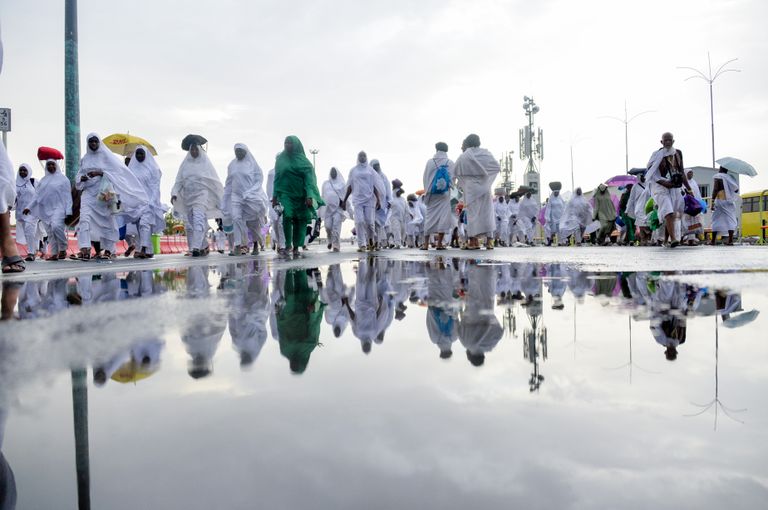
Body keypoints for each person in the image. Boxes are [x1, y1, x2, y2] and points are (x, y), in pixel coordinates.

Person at [75, 133, 149, 260]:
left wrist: (99, 173)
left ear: (99, 143)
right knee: (84, 220)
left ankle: (109, 250)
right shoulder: (85, 159)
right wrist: (81, 178)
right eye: (91, 141)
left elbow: (116, 173)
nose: (93, 143)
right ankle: (85, 249)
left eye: (95, 141)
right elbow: (79, 174)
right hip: (88, 195)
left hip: (103, 195)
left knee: (107, 223)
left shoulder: (106, 157)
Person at [272, 136, 324, 257]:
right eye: (286, 143)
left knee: (298, 220)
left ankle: (296, 246)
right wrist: (275, 196)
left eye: (290, 143)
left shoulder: (304, 162)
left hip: (301, 195)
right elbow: (277, 178)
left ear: (296, 145)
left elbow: (309, 181)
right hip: (286, 194)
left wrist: (309, 196)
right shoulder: (281, 159)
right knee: (287, 215)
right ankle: (288, 245)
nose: (287, 145)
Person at [171, 142, 224, 257]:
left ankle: (195, 247)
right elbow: (179, 181)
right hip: (188, 197)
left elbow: (214, 180)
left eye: (196, 149)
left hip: (202, 196)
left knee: (198, 219)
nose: (194, 151)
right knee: (192, 221)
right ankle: (203, 245)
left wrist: (219, 197)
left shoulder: (205, 164)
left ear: (200, 150)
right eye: (192, 150)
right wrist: (174, 193)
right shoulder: (185, 165)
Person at [453, 134, 500, 249]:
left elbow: (455, 171)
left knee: (473, 215)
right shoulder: (486, 154)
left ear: (468, 143)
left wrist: (465, 180)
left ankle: (473, 242)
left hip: (471, 189)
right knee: (487, 213)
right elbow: (496, 167)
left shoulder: (464, 156)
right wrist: (485, 176)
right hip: (485, 187)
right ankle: (489, 241)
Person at [645, 132, 691, 247]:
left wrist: (689, 189)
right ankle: (674, 239)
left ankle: (666, 240)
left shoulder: (678, 153)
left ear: (673, 141)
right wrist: (664, 183)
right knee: (668, 212)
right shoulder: (656, 155)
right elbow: (651, 173)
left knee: (671, 214)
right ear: (661, 142)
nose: (668, 142)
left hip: (674, 187)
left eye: (670, 140)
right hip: (660, 187)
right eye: (665, 140)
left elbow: (681, 171)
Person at [276, 268, 325, 374]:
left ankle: (292, 266)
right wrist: (313, 312)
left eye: (293, 366)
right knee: (300, 285)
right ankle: (295, 266)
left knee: (292, 292)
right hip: (303, 312)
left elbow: (281, 331)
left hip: (292, 314)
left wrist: (278, 316)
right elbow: (313, 327)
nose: (294, 364)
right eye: (296, 366)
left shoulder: (286, 350)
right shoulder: (307, 347)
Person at [24, 159, 71, 261]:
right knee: (50, 232)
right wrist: (29, 207)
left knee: (56, 227)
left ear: (56, 165)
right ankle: (54, 253)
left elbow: (68, 196)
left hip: (59, 208)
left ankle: (63, 248)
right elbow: (37, 195)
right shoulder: (43, 180)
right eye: (48, 164)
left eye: (52, 164)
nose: (50, 166)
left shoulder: (63, 179)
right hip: (45, 209)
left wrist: (69, 211)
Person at [223, 143, 265, 256]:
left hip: (250, 197)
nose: (238, 153)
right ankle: (238, 245)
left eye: (240, 151)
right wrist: (225, 199)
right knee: (236, 218)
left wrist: (251, 191)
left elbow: (259, 180)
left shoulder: (252, 164)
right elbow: (228, 183)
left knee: (252, 223)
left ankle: (255, 244)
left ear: (246, 152)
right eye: (236, 151)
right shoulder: (232, 165)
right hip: (236, 196)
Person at [127, 145, 166, 258]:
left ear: (146, 155)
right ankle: (149, 250)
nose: (139, 156)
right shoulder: (132, 169)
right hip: (137, 203)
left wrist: (152, 201)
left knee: (144, 224)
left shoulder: (153, 169)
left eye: (141, 154)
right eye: (137, 154)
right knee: (140, 227)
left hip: (149, 202)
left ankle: (143, 249)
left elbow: (155, 186)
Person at [342, 151, 380, 252]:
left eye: (364, 156)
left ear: (366, 157)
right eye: (360, 156)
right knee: (359, 222)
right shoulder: (353, 171)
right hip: (357, 200)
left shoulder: (371, 170)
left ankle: (371, 239)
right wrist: (344, 200)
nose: (362, 157)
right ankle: (362, 245)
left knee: (369, 223)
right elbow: (350, 186)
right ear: (358, 157)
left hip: (369, 200)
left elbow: (375, 186)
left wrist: (378, 199)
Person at [421, 142, 455, 250]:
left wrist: (428, 189)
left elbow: (425, 177)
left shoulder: (430, 162)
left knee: (429, 217)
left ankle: (426, 244)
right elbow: (453, 179)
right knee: (443, 218)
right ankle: (439, 244)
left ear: (436, 149)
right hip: (444, 194)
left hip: (432, 193)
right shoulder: (450, 162)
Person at [14, 164, 39, 261]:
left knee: (29, 230)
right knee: (28, 233)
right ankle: (35, 248)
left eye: (25, 170)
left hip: (33, 212)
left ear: (29, 171)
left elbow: (40, 195)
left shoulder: (34, 182)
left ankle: (31, 253)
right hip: (21, 213)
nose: (22, 172)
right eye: (21, 170)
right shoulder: (15, 184)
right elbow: (13, 198)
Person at [711, 166, 740, 245]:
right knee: (730, 219)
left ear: (720, 169)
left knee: (715, 219)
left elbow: (715, 189)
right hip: (729, 201)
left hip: (720, 200)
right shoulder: (729, 178)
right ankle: (730, 240)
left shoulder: (718, 176)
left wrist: (712, 201)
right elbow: (736, 189)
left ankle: (713, 241)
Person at [321, 167, 348, 252]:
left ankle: (336, 245)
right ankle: (329, 240)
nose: (333, 173)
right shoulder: (326, 184)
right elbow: (323, 196)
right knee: (328, 227)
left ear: (337, 173)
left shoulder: (342, 184)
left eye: (334, 171)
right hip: (328, 210)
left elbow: (345, 196)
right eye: (331, 171)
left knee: (336, 227)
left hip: (338, 209)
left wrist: (346, 206)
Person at [370, 159, 392, 249]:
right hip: (370, 202)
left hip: (381, 204)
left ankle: (377, 242)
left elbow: (388, 189)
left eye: (378, 165)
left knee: (378, 224)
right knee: (371, 223)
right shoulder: (369, 176)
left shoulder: (383, 177)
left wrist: (389, 201)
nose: (377, 166)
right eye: (375, 165)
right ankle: (371, 241)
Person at [626, 173, 650, 245]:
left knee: (647, 224)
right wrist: (627, 209)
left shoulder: (648, 184)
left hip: (647, 207)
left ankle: (646, 239)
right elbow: (631, 199)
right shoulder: (635, 187)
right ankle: (643, 240)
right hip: (638, 208)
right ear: (638, 177)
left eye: (643, 176)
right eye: (641, 176)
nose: (643, 178)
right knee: (641, 223)